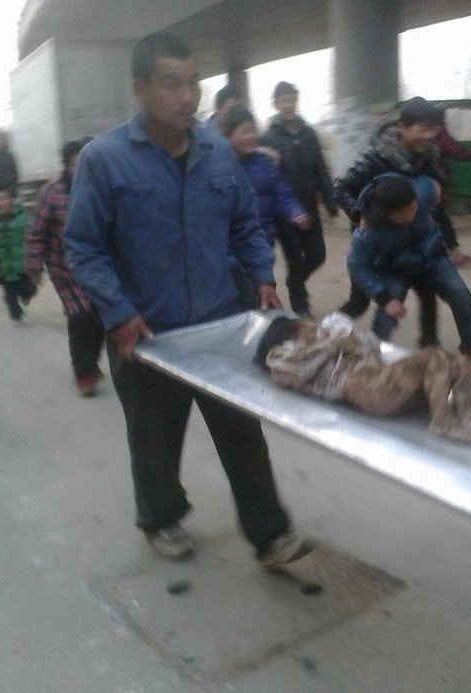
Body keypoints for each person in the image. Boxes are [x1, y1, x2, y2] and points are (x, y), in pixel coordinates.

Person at [64, 31, 311, 566]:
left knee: (242, 430)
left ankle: (269, 533)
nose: (187, 96)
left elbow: (244, 223)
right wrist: (119, 314)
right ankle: (160, 518)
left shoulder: (217, 152)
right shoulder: (105, 160)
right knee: (155, 437)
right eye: (170, 83)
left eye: (193, 82)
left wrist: (263, 275)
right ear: (141, 88)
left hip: (219, 326)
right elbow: (83, 247)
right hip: (146, 333)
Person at [255, 313, 471, 444]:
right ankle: (444, 421)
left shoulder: (334, 339)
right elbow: (294, 370)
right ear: (291, 335)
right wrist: (332, 341)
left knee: (460, 362)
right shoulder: (283, 355)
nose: (315, 327)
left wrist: (351, 333)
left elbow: (373, 347)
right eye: (308, 327)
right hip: (368, 389)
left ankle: (470, 414)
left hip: (390, 382)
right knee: (432, 355)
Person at [349, 174, 471, 374]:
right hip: (394, 268)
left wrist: (438, 187)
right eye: (406, 212)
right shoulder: (368, 230)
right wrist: (385, 298)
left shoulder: (421, 192)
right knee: (387, 313)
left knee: (460, 294)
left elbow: (430, 181)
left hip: (431, 256)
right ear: (388, 213)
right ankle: (372, 357)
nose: (414, 212)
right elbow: (357, 267)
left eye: (414, 207)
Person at [334, 96, 444, 348]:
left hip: (407, 239)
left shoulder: (427, 154)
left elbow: (436, 181)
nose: (428, 136)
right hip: (373, 238)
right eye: (423, 129)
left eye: (433, 130)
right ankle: (329, 330)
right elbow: (340, 188)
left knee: (427, 290)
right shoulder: (375, 157)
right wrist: (360, 216)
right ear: (404, 127)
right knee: (361, 300)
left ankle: (429, 345)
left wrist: (438, 184)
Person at [26, 137, 106, 397]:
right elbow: (36, 231)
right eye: (75, 164)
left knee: (102, 317)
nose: (82, 169)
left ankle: (90, 361)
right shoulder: (52, 192)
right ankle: (84, 374)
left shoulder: (104, 187)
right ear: (67, 165)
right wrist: (34, 265)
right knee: (81, 315)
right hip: (65, 270)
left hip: (100, 267)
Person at [260, 81, 338, 315]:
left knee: (318, 255)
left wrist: (330, 199)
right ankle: (301, 308)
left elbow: (320, 168)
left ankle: (294, 281)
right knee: (295, 259)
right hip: (284, 212)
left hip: (309, 206)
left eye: (292, 100)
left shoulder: (308, 133)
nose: (289, 105)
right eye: (284, 101)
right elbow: (264, 175)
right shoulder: (268, 137)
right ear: (275, 104)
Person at [223, 105, 309, 310]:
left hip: (261, 245)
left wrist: (294, 211)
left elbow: (283, 193)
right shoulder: (221, 167)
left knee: (264, 297)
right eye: (244, 131)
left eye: (253, 130)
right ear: (228, 136)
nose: (250, 136)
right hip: (233, 253)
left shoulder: (266, 163)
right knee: (247, 304)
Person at [433, 110, 471, 267]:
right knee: (441, 221)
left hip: (430, 184)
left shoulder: (426, 131)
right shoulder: (438, 131)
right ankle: (452, 255)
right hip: (434, 184)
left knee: (438, 221)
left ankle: (451, 254)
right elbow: (457, 152)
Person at [0, 185, 37, 322]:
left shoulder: (24, 218)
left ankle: (26, 296)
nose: (1, 203)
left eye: (4, 199)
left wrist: (35, 257)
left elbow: (33, 238)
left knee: (29, 289)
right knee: (10, 295)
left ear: (12, 199)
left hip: (23, 266)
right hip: (3, 267)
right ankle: (16, 314)